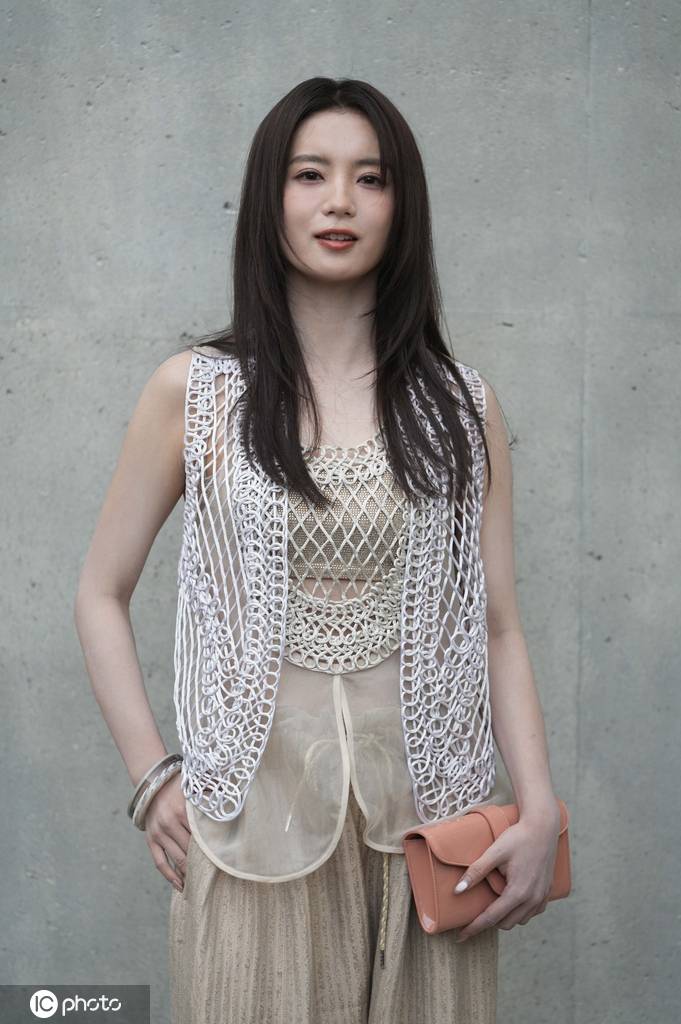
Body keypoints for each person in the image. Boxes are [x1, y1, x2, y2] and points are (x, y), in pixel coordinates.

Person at [74, 77, 562, 1024]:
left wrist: (538, 806)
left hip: (430, 833)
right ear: (270, 197)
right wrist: (152, 778)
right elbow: (100, 590)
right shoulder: (195, 393)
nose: (339, 201)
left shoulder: (462, 407)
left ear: (401, 206)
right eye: (309, 175)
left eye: (369, 178)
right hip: (249, 827)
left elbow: (497, 625)